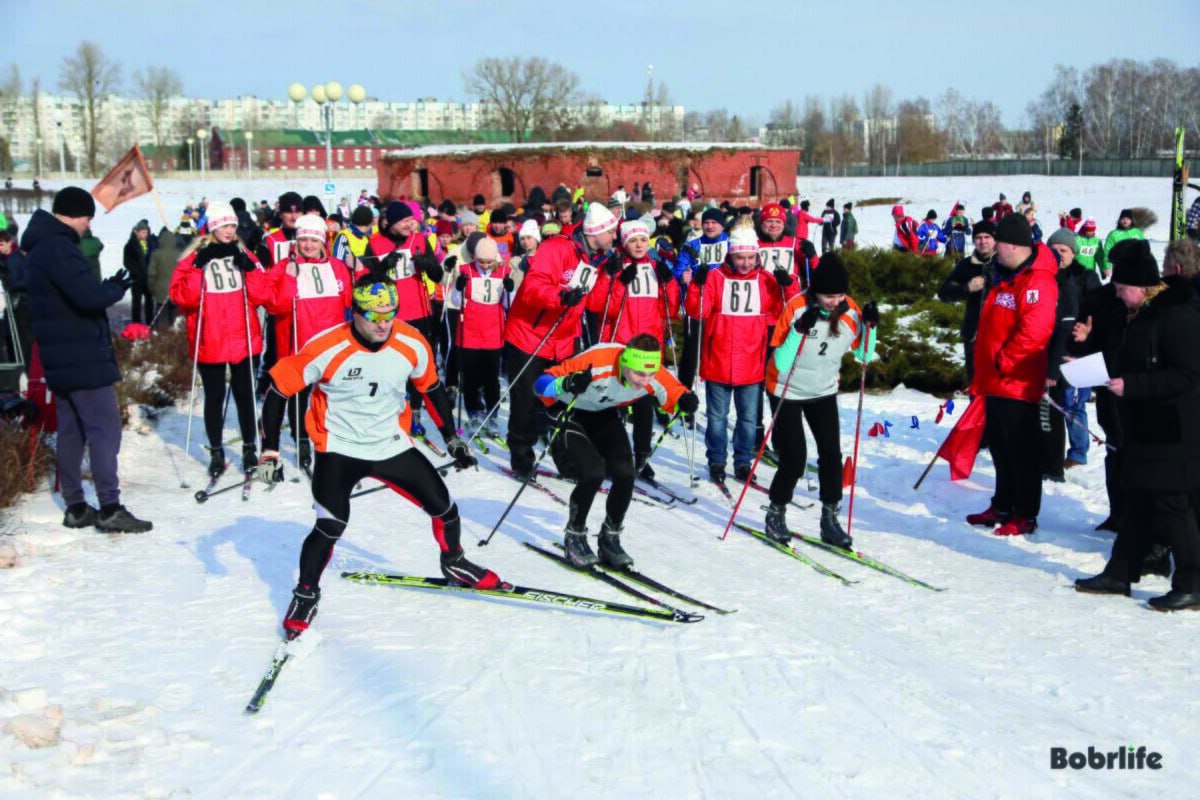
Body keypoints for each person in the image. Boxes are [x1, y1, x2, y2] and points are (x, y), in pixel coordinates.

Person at [260, 276, 490, 639]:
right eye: (373, 316)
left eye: (390, 314)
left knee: (446, 509)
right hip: (339, 447)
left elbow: (430, 387)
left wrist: (452, 439)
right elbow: (278, 390)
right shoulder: (327, 346)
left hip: (390, 444)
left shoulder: (411, 342)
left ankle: (455, 562)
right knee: (330, 525)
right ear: (355, 312)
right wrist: (270, 450)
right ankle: (305, 593)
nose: (383, 324)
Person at [1075, 240, 1200, 611]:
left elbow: (1188, 375)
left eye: (1120, 286)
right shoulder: (1141, 314)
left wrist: (1134, 386)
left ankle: (1192, 583)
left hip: (1173, 431)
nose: (1115, 292)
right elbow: (1131, 359)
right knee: (1137, 502)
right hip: (1145, 428)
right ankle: (1120, 572)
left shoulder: (1177, 315)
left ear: (1141, 287)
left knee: (1172, 507)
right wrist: (1086, 357)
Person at [22, 187, 152, 532]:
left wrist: (106, 286)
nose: (89, 225)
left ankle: (76, 507)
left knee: (72, 431)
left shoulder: (40, 246)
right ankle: (110, 507)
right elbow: (88, 297)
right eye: (88, 218)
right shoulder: (59, 247)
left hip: (60, 356)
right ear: (76, 215)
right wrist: (116, 287)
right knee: (104, 429)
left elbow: (72, 294)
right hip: (81, 356)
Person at [535, 334, 698, 567]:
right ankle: (575, 536)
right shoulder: (598, 361)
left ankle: (609, 538)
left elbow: (674, 391)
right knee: (593, 473)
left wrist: (685, 401)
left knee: (625, 473)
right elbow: (540, 384)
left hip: (603, 412)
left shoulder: (652, 374)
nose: (645, 381)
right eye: (639, 374)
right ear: (625, 363)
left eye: (650, 374)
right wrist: (566, 383)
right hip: (569, 410)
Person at [763, 253, 879, 547]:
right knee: (794, 459)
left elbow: (864, 355)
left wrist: (871, 327)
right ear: (815, 291)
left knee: (831, 456)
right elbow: (781, 361)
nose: (834, 301)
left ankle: (829, 519)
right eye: (828, 296)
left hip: (823, 391)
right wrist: (799, 330)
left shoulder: (850, 311)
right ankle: (775, 513)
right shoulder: (797, 307)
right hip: (786, 390)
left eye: (839, 295)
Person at [503, 202, 614, 479]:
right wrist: (560, 296)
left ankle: (566, 460)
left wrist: (610, 277)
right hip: (530, 336)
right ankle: (522, 457)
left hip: (564, 339)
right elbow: (532, 288)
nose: (615, 237)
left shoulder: (596, 259)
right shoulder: (556, 248)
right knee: (527, 401)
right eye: (611, 231)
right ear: (596, 231)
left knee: (562, 401)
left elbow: (594, 303)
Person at [965, 213, 1058, 536]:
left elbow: (1035, 331)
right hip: (995, 381)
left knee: (1021, 451)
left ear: (1014, 246)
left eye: (999, 243)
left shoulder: (1037, 281)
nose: (993, 248)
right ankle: (1002, 504)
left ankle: (1025, 513)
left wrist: (1004, 361)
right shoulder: (1005, 274)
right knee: (1001, 449)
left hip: (1016, 380)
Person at [170, 202, 271, 481]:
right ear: (213, 227)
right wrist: (197, 268)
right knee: (213, 398)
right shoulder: (193, 259)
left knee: (245, 396)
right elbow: (183, 298)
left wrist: (250, 269)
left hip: (243, 337)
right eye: (224, 225)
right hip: (210, 338)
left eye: (232, 225)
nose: (229, 230)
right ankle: (216, 451)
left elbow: (262, 295)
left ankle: (249, 448)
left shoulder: (243, 253)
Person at [685, 226, 787, 483]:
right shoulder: (716, 277)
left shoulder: (764, 279)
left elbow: (782, 312)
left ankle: (743, 461)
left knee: (748, 419)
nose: (746, 263)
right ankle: (716, 460)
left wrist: (786, 285)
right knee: (717, 418)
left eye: (751, 257)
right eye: (740, 257)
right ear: (730, 255)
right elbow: (697, 311)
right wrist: (697, 284)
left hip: (752, 363)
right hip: (718, 360)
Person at [264, 213, 354, 476]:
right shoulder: (284, 266)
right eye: (303, 239)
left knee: (330, 398)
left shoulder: (337, 266)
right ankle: (301, 440)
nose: (308, 245)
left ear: (323, 241)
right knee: (298, 396)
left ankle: (333, 443)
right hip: (298, 343)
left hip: (331, 345)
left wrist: (358, 269)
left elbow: (351, 300)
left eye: (314, 240)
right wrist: (289, 279)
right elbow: (275, 305)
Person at [588, 220, 680, 476]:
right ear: (624, 242)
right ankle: (613, 455)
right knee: (614, 404)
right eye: (633, 240)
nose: (639, 245)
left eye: (643, 240)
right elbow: (601, 308)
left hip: (647, 347)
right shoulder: (614, 265)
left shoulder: (656, 268)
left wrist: (669, 282)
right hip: (620, 343)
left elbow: (670, 310)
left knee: (644, 405)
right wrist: (617, 281)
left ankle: (641, 455)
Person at [360, 201, 444, 435]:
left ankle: (414, 412)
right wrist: (381, 269)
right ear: (391, 222)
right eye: (404, 221)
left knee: (417, 365)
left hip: (420, 313)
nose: (410, 224)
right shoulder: (375, 243)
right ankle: (392, 411)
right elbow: (365, 283)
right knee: (391, 366)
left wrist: (428, 265)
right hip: (389, 316)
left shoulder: (420, 239)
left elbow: (438, 275)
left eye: (411, 220)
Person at [1040, 228, 1101, 481]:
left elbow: (1098, 311)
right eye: (1053, 249)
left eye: (1063, 250)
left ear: (1073, 253)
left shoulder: (1085, 276)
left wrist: (1088, 331)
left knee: (1073, 403)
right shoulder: (1042, 275)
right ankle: (1048, 453)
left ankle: (1077, 452)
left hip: (1076, 350)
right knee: (1050, 405)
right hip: (1049, 349)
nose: (1058, 254)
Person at [450, 237, 512, 436]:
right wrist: (458, 287)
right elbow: (456, 301)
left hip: (493, 331)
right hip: (470, 330)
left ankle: (492, 413)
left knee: (491, 377)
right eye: (481, 261)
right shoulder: (465, 271)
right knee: (471, 376)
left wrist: (510, 290)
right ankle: (474, 411)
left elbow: (508, 304)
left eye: (489, 262)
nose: (485, 265)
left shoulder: (504, 272)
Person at [674, 207, 730, 389]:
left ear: (722, 225)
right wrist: (682, 277)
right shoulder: (692, 246)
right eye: (706, 222)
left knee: (720, 349)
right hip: (698, 304)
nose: (710, 226)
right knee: (692, 351)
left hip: (725, 304)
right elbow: (678, 271)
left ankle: (720, 385)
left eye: (714, 222)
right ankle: (684, 390)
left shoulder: (731, 244)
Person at [937, 221, 997, 386]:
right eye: (978, 237)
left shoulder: (1003, 263)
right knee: (975, 384)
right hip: (973, 334)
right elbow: (944, 293)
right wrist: (966, 288)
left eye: (987, 237)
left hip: (1000, 336)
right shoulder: (966, 265)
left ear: (994, 239)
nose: (983, 241)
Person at [146, 222, 192, 329]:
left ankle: (162, 334)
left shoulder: (156, 254)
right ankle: (174, 334)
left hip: (160, 289)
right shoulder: (180, 254)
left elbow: (152, 274)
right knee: (175, 315)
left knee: (161, 317)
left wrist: (152, 288)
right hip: (176, 289)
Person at [122, 219, 156, 324]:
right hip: (136, 278)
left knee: (149, 301)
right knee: (136, 302)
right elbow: (127, 262)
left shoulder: (151, 244)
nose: (145, 235)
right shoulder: (130, 245)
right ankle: (136, 323)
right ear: (137, 232)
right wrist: (136, 272)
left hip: (149, 278)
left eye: (146, 232)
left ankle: (149, 322)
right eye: (143, 232)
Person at [1098, 209, 1144, 279]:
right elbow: (1107, 251)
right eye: (1123, 219)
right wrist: (1107, 267)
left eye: (1127, 219)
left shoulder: (1137, 232)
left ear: (1131, 220)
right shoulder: (1114, 234)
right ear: (1119, 220)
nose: (1125, 221)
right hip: (1119, 268)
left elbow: (1144, 249)